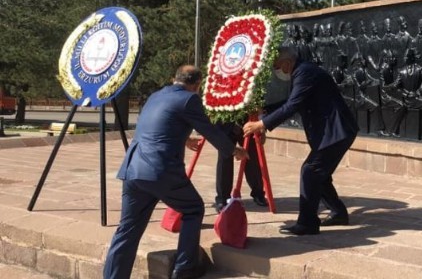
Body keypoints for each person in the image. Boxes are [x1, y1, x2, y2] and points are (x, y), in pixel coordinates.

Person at [103, 65, 248, 279]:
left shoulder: (155, 96)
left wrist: (184, 138)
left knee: (127, 230)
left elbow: (157, 125)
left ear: (174, 79)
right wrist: (234, 149)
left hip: (134, 169)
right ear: (197, 85)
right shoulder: (189, 99)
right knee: (193, 209)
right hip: (161, 170)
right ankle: (185, 269)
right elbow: (210, 130)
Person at [243, 46, 359, 236]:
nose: (277, 70)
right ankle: (338, 212)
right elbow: (292, 102)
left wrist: (262, 124)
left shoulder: (304, 73)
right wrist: (265, 108)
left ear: (287, 62)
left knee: (310, 171)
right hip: (333, 132)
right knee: (319, 174)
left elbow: (292, 105)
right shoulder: (302, 72)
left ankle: (307, 223)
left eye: (277, 66)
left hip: (336, 132)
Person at [213, 119, 268, 213]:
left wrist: (263, 126)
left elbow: (262, 106)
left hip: (247, 123)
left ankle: (258, 193)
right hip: (224, 123)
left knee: (252, 158)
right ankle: (222, 198)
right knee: (224, 159)